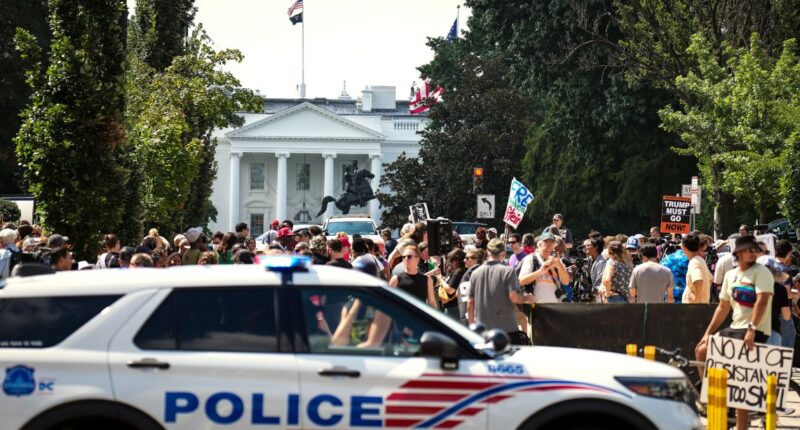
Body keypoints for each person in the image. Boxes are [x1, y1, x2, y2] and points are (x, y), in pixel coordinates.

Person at [696, 235, 774, 430]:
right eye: (747, 250)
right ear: (738, 253)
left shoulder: (762, 272)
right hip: (735, 327)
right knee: (702, 350)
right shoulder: (731, 275)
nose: (751, 253)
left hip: (755, 330)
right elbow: (723, 307)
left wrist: (751, 330)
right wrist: (708, 333)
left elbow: (762, 301)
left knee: (742, 382)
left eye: (753, 250)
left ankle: (741, 426)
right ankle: (714, 399)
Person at [468, 239, 535, 345]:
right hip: (507, 331)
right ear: (503, 254)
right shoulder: (508, 271)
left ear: (487, 252)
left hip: (483, 332)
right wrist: (527, 298)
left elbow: (470, 303)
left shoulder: (475, 273)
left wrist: (473, 328)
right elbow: (513, 297)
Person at [518, 232, 570, 304]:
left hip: (555, 307)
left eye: (552, 243)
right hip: (536, 307)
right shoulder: (531, 258)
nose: (549, 247)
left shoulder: (557, 260)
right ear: (539, 245)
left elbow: (566, 282)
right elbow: (521, 281)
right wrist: (540, 271)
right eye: (546, 243)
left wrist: (559, 266)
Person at [680, 233, 712, 304]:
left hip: (693, 310)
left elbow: (699, 280)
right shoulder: (700, 260)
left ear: (683, 248)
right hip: (700, 307)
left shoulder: (694, 262)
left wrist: (696, 302)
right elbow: (710, 279)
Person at [458, 249, 484, 324]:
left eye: (467, 258)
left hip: (469, 318)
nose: (464, 260)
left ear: (476, 260)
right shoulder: (480, 272)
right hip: (473, 319)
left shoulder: (469, 274)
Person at [440, 249, 466, 321]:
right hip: (455, 306)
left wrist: (440, 279)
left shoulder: (459, 272)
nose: (450, 263)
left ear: (457, 260)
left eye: (452, 261)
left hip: (454, 307)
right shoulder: (462, 271)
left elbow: (450, 290)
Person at [585, 236, 607, 302]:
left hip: (598, 297)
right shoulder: (588, 260)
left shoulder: (601, 262)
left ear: (596, 247)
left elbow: (599, 282)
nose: (586, 247)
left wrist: (592, 294)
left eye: (588, 246)